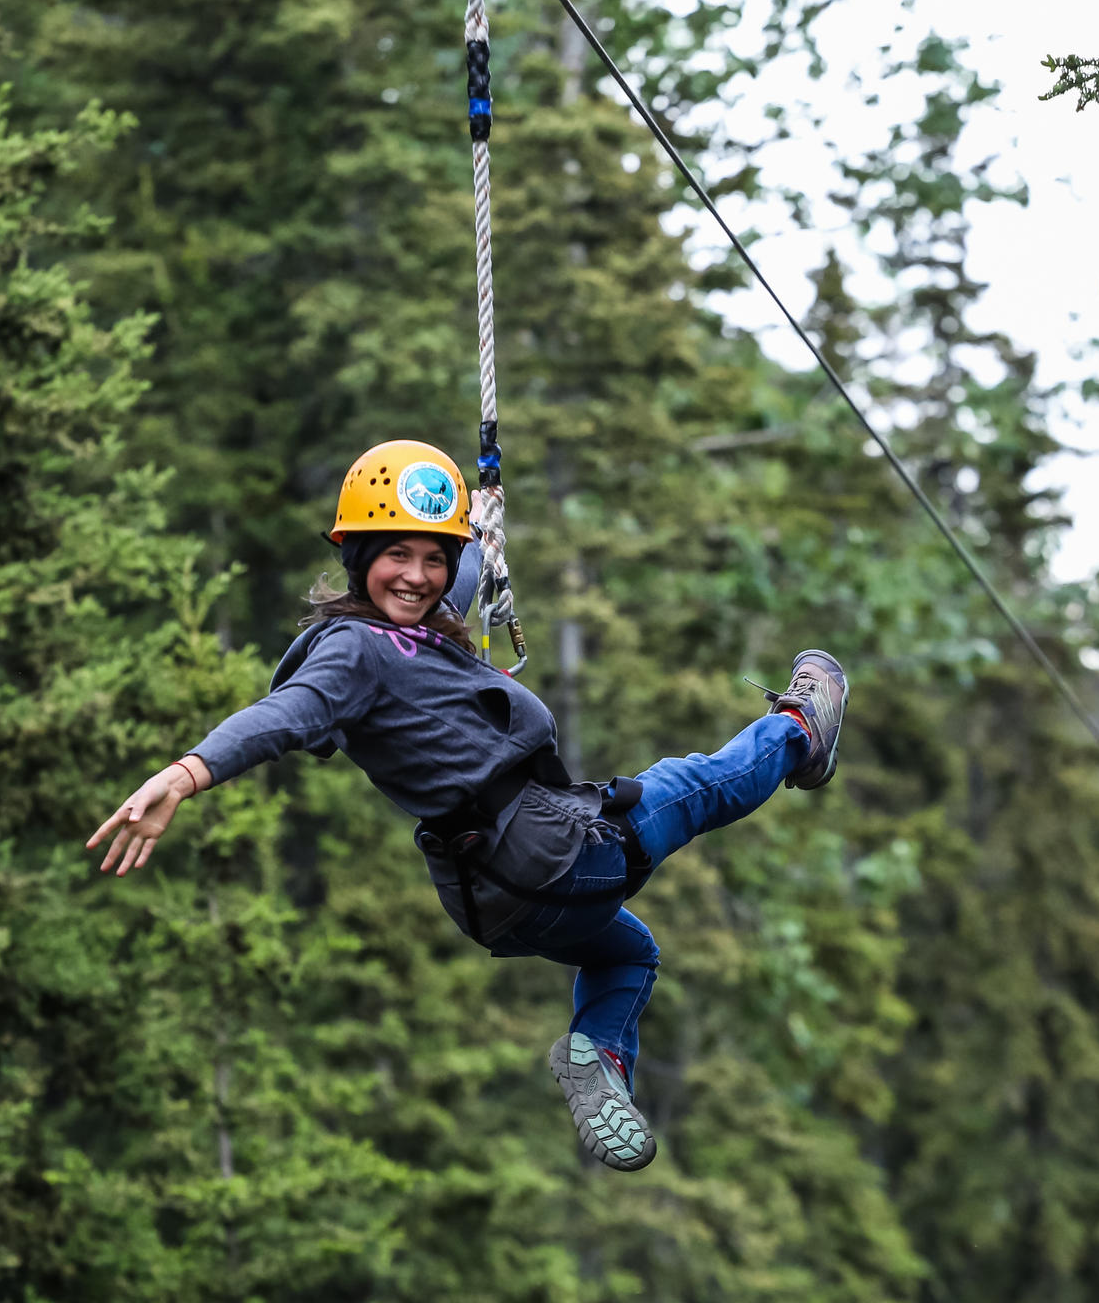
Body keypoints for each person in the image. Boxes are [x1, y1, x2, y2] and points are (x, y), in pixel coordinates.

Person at [87, 440, 846, 1172]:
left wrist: (478, 525)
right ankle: (800, 727)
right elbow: (284, 716)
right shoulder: (355, 652)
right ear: (357, 560)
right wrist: (186, 774)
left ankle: (600, 1057)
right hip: (555, 857)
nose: (417, 577)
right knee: (696, 785)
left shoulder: (405, 627)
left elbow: (452, 576)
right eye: (396, 555)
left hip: (498, 900)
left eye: (433, 558)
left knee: (629, 951)